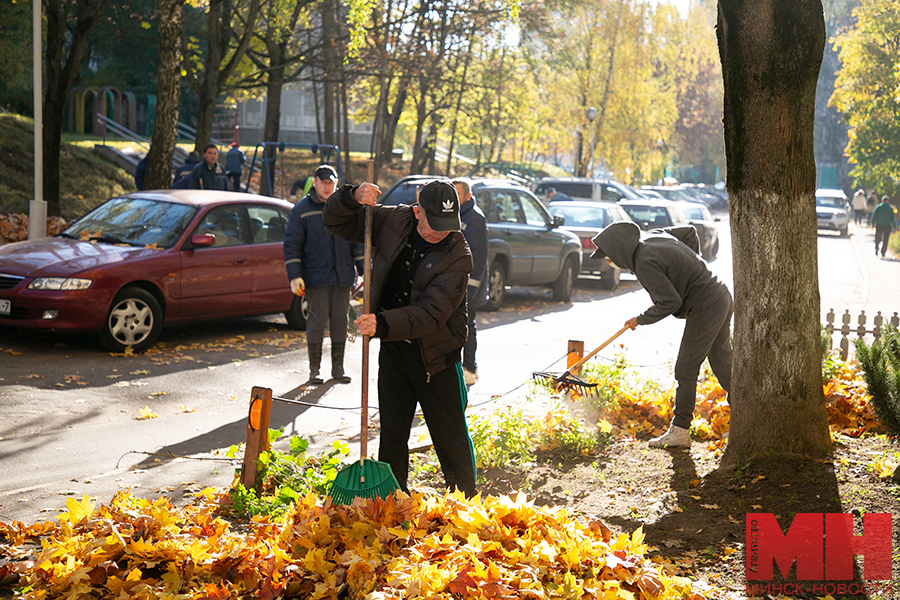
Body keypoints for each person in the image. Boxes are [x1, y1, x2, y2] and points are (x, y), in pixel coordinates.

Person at [323, 178, 477, 497]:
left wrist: (381, 323)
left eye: (449, 224)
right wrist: (351, 197)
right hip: (395, 352)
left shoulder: (459, 255)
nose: (442, 232)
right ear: (418, 211)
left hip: (436, 357)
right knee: (392, 434)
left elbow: (431, 312)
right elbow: (337, 222)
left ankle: (467, 504)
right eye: (435, 223)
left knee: (450, 437)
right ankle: (391, 501)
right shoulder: (395, 219)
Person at [590, 221, 733, 449]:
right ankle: (744, 415)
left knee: (685, 369)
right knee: (723, 362)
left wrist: (641, 319)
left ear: (619, 250)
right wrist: (691, 268)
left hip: (706, 305)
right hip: (720, 295)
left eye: (608, 257)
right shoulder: (654, 236)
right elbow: (689, 232)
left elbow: (670, 301)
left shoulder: (644, 262)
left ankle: (680, 431)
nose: (609, 262)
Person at [284, 165, 363, 384]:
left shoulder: (346, 209)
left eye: (331, 183)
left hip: (342, 278)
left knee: (340, 324)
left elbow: (356, 243)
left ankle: (338, 369)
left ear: (336, 183)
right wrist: (294, 275)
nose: (327, 187)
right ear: (315, 182)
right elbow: (292, 244)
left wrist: (365, 271)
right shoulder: (301, 210)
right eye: (323, 182)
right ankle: (314, 370)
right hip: (316, 279)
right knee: (316, 324)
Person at [454, 178, 489, 386]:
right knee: (460, 324)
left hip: (468, 283)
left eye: (457, 194)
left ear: (467, 195)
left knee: (467, 324)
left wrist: (472, 283)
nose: (454, 198)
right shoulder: (456, 214)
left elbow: (478, 254)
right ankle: (465, 365)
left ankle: (469, 366)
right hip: (456, 281)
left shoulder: (474, 217)